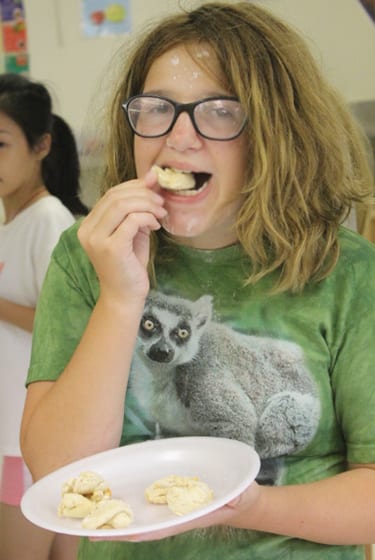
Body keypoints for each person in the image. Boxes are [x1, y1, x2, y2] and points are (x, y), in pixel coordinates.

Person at [20, 2, 375, 559]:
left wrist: (249, 505)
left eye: (218, 111)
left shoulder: (348, 270)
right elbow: (58, 472)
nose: (177, 139)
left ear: (275, 132)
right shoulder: (87, 253)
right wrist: (120, 297)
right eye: (157, 108)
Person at [0, 73, 88, 560]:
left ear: (41, 146)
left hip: (29, 437)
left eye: (0, 143)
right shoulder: (11, 222)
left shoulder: (49, 219)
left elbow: (67, 329)